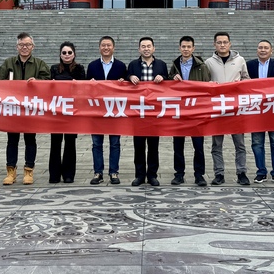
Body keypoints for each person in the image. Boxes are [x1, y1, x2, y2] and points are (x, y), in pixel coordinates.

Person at [0, 32, 50, 185]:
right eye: (21, 45)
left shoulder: (40, 64)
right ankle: (10, 172)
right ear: (17, 46)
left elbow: (47, 82)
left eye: (27, 45)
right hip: (12, 109)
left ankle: (28, 170)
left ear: (33, 47)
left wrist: (38, 81)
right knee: (12, 140)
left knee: (30, 140)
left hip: (30, 109)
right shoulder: (8, 63)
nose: (24, 48)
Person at [204, 31, 251, 186]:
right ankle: (219, 173)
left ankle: (241, 172)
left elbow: (246, 79)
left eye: (225, 42)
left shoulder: (240, 60)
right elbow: (204, 84)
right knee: (216, 145)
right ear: (214, 44)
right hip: (217, 108)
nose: (222, 45)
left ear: (230, 44)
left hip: (236, 108)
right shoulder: (208, 62)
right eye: (219, 42)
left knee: (240, 144)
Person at [168, 35, 211, 186]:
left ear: (193, 48)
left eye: (189, 47)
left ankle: (199, 175)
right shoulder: (174, 65)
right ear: (180, 48)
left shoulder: (201, 66)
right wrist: (172, 77)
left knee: (198, 146)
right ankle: (179, 174)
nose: (186, 49)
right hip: (179, 111)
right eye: (183, 47)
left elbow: (207, 88)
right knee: (177, 145)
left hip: (196, 112)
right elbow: (167, 85)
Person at [126, 36, 169, 187]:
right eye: (143, 46)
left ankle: (152, 175)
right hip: (138, 112)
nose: (146, 48)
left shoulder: (161, 65)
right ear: (139, 49)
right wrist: (130, 76)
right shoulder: (133, 65)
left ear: (153, 48)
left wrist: (163, 77)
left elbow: (168, 84)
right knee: (138, 146)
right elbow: (125, 80)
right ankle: (139, 175)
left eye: (148, 46)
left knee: (153, 146)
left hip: (154, 112)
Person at [86, 36, 127, 185]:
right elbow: (85, 89)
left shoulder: (121, 66)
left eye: (108, 45)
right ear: (99, 47)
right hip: (96, 111)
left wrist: (124, 83)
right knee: (96, 143)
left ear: (113, 48)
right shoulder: (92, 66)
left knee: (115, 143)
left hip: (114, 111)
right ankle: (98, 173)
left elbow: (127, 89)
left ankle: (114, 172)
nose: (106, 47)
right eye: (103, 45)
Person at [246, 39, 274, 184]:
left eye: (266, 48)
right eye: (260, 48)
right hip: (256, 110)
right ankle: (261, 171)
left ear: (271, 50)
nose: (263, 50)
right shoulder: (250, 65)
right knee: (257, 143)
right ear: (257, 50)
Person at [49, 41, 85, 183]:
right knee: (55, 142)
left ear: (74, 54)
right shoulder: (53, 69)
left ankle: (69, 174)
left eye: (69, 52)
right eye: (64, 52)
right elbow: (47, 86)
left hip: (72, 110)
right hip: (56, 110)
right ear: (60, 54)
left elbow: (83, 87)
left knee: (70, 143)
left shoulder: (80, 69)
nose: (67, 55)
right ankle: (54, 174)